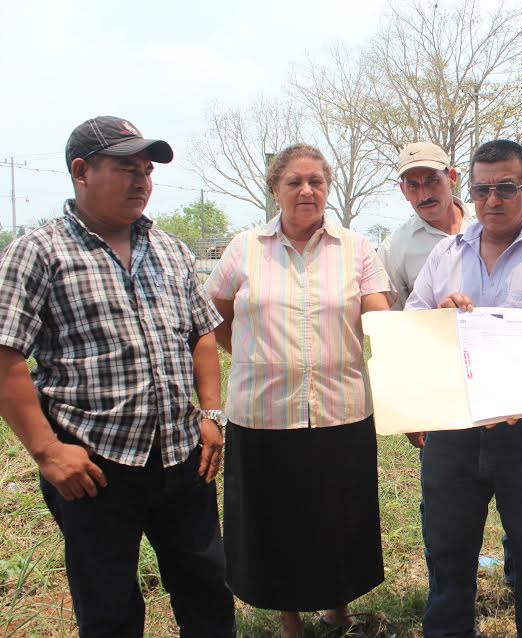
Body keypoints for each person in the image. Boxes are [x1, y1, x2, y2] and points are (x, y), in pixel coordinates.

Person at [0, 116, 235, 637]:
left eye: (147, 170)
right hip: (95, 467)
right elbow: (7, 357)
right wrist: (46, 451)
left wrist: (211, 414)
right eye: (126, 168)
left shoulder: (170, 250)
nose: (142, 181)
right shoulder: (39, 253)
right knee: (109, 607)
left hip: (182, 457)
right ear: (81, 171)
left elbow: (201, 334)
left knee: (206, 587)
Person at [204, 143, 394, 638]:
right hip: (263, 413)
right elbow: (215, 321)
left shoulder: (356, 249)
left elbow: (379, 320)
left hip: (341, 408)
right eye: (295, 182)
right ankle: (289, 620)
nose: (307, 190)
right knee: (274, 519)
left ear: (327, 189)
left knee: (337, 516)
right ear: (275, 189)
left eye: (316, 181)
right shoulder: (243, 248)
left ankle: (337, 609)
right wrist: (256, 355)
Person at [405, 139, 522, 637]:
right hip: (454, 426)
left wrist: (505, 384)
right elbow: (415, 322)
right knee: (447, 554)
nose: (493, 200)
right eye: (483, 189)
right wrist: (442, 317)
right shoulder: (447, 252)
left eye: (506, 188)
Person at [378, 141, 475, 311]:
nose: (424, 195)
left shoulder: (486, 222)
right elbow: (395, 321)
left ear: (452, 178)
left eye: (432, 181)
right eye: (413, 186)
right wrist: (436, 319)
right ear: (403, 190)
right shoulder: (393, 249)